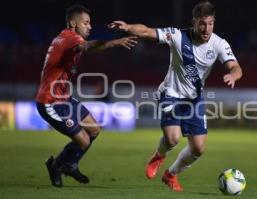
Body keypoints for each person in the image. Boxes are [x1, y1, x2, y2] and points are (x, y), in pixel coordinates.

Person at [108, 1, 242, 192]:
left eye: (210, 23)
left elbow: (236, 67)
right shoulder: (178, 36)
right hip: (170, 93)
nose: (206, 29)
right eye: (202, 23)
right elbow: (147, 31)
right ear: (194, 22)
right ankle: (159, 155)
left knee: (198, 149)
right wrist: (128, 27)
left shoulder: (219, 44)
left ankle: (171, 174)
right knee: (173, 139)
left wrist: (233, 75)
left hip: (194, 98)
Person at [35, 5, 137, 187]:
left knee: (95, 130)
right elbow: (88, 47)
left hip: (64, 99)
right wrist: (115, 42)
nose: (90, 26)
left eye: (90, 23)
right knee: (83, 140)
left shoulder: (67, 39)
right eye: (86, 23)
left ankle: (70, 164)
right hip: (50, 102)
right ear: (73, 23)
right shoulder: (69, 38)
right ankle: (57, 165)